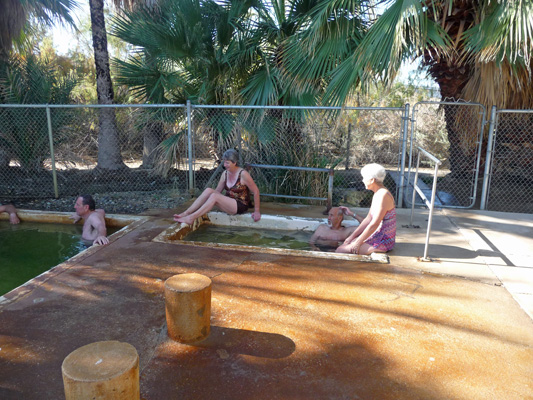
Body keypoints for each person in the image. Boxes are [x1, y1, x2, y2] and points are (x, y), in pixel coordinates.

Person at [174, 149, 261, 225]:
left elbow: (256, 191)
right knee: (208, 190)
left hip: (240, 205)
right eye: (224, 162)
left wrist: (257, 211)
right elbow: (217, 191)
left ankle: (191, 218)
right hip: (228, 203)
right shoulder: (225, 173)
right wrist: (207, 204)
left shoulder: (243, 174)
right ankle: (186, 213)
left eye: (227, 163)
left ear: (234, 162)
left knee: (214, 196)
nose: (225, 165)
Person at [336, 164, 396, 255]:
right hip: (377, 235)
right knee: (346, 244)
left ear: (372, 180)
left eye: (364, 178)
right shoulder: (378, 193)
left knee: (340, 250)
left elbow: (374, 224)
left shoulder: (383, 195)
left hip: (383, 240)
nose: (362, 180)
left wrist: (358, 242)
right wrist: (351, 237)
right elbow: (368, 219)